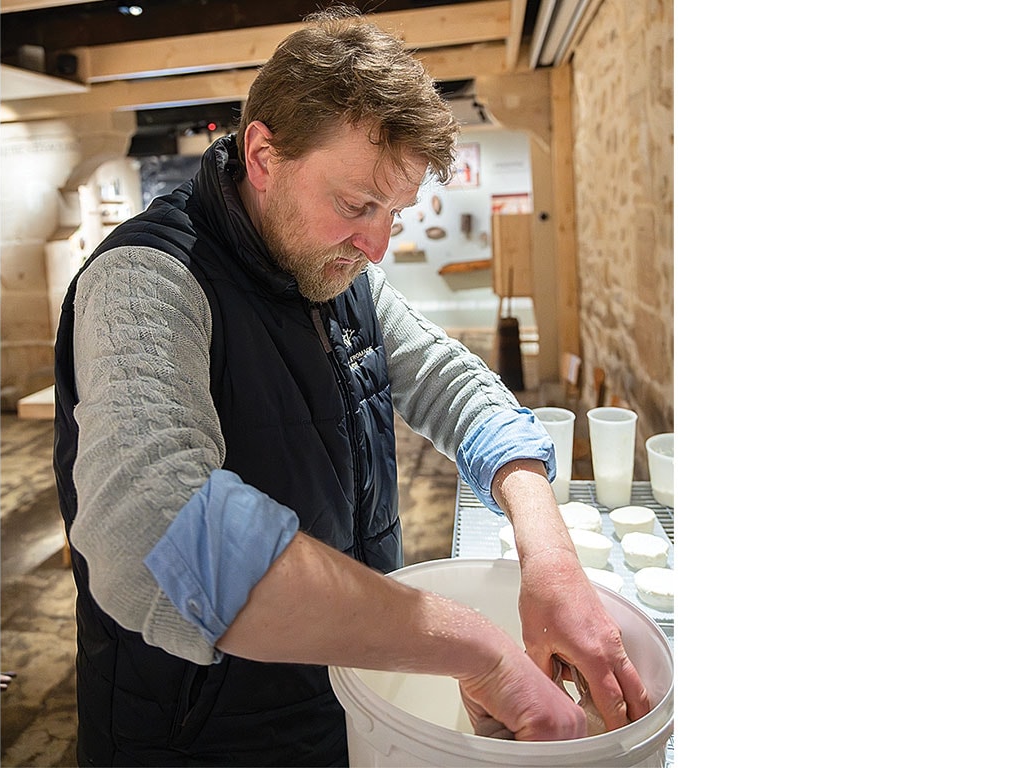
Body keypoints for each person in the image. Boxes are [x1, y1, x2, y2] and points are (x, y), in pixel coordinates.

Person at [51, 6, 652, 765]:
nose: (376, 244)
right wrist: (475, 646)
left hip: (338, 695)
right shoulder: (146, 281)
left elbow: (454, 385)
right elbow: (157, 531)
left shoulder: (333, 273)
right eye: (357, 204)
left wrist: (552, 557)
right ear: (264, 154)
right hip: (198, 734)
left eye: (393, 213)